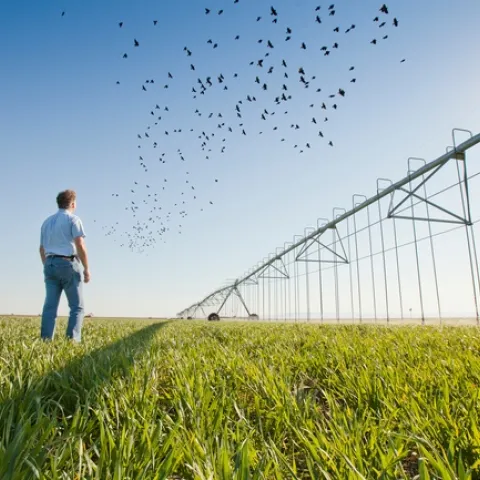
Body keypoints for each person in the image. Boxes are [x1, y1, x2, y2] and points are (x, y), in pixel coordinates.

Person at [39, 190, 90, 342]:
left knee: (50, 306)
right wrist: (87, 268)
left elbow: (41, 249)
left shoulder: (46, 222)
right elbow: (80, 244)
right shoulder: (73, 219)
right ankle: (72, 342)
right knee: (77, 306)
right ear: (73, 203)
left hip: (49, 263)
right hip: (68, 263)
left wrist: (48, 265)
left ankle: (45, 341)